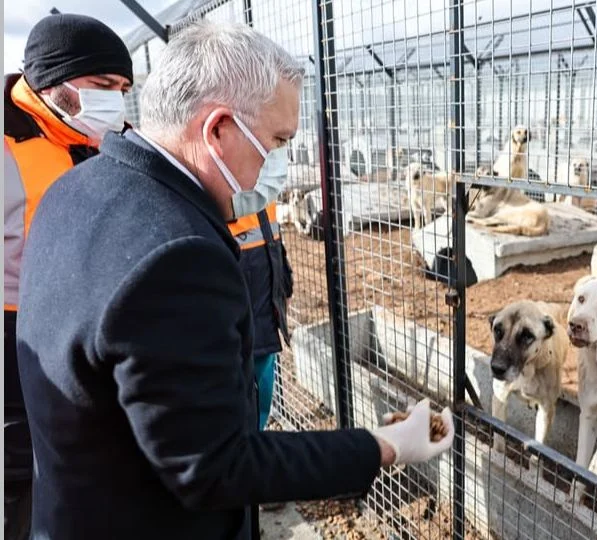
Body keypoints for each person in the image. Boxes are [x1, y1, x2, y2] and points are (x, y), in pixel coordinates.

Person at [16, 20, 454, 540]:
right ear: (218, 128)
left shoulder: (75, 188)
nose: (280, 165)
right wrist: (385, 445)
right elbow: (215, 466)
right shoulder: (176, 259)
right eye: (277, 140)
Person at [3, 14, 133, 540]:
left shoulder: (101, 137)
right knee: (20, 465)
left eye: (123, 88)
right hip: (16, 336)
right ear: (55, 82)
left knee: (84, 454)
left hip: (87, 326)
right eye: (102, 86)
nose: (116, 101)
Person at [228, 201, 291, 433]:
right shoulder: (219, 183)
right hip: (240, 306)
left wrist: (285, 282)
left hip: (265, 302)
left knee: (262, 390)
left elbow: (272, 236)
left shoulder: (263, 183)